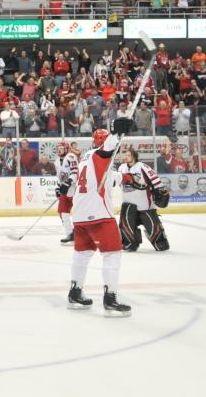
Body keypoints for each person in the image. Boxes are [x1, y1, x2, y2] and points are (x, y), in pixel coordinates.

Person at [66, 123, 133, 317]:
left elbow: (111, 177)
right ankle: (110, 298)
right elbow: (109, 148)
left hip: (79, 214)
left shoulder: (86, 159)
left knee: (83, 253)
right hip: (99, 214)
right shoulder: (100, 154)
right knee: (112, 254)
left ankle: (75, 292)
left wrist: (127, 178)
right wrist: (119, 131)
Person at [118, 149, 170, 252]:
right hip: (129, 205)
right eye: (126, 155)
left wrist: (160, 190)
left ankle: (157, 238)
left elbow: (155, 179)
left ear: (134, 156)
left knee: (161, 246)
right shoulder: (121, 168)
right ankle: (132, 242)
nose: (126, 157)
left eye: (129, 155)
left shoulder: (142, 166)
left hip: (144, 206)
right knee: (128, 243)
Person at [54, 141, 80, 245]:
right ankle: (70, 234)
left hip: (74, 189)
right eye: (58, 147)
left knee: (79, 212)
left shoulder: (71, 156)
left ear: (66, 149)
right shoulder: (56, 161)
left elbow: (75, 172)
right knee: (62, 211)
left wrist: (68, 182)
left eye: (61, 148)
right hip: (65, 190)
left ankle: (82, 233)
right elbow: (60, 177)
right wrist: (58, 187)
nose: (59, 149)